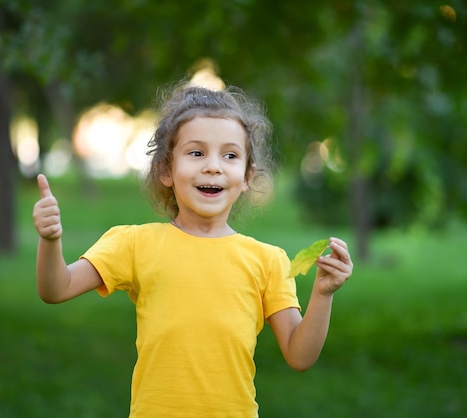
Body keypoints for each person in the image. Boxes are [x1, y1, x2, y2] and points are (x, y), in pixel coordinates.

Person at [33, 82, 353, 418]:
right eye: (197, 153)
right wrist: (50, 240)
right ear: (166, 171)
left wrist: (323, 294)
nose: (213, 166)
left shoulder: (268, 261)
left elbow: (299, 356)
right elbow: (56, 289)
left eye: (229, 155)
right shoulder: (135, 244)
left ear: (246, 176)